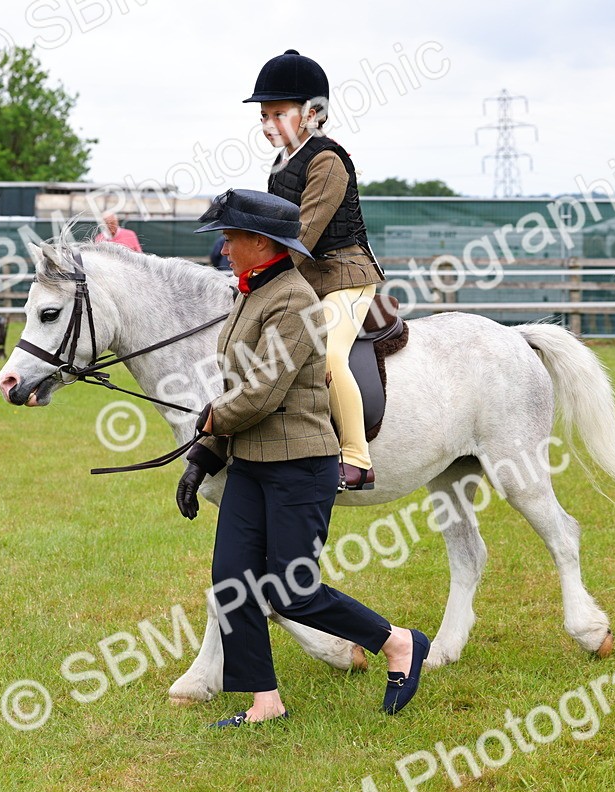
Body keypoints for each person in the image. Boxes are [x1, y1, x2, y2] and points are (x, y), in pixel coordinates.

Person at [176, 189, 429, 728]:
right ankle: (265, 700)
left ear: (260, 243)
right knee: (232, 583)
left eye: (229, 237)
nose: (222, 247)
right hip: (251, 465)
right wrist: (206, 453)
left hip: (299, 467)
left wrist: (212, 420)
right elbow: (236, 383)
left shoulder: (293, 301)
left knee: (293, 591)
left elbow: (262, 391)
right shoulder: (249, 293)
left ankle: (400, 643)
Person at [246, 49, 384, 491]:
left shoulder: (327, 160)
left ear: (313, 113)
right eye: (263, 116)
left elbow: (302, 236)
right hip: (306, 279)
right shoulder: (281, 164)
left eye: (278, 114)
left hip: (347, 277)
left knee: (327, 353)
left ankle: (358, 458)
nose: (267, 125)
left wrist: (262, 275)